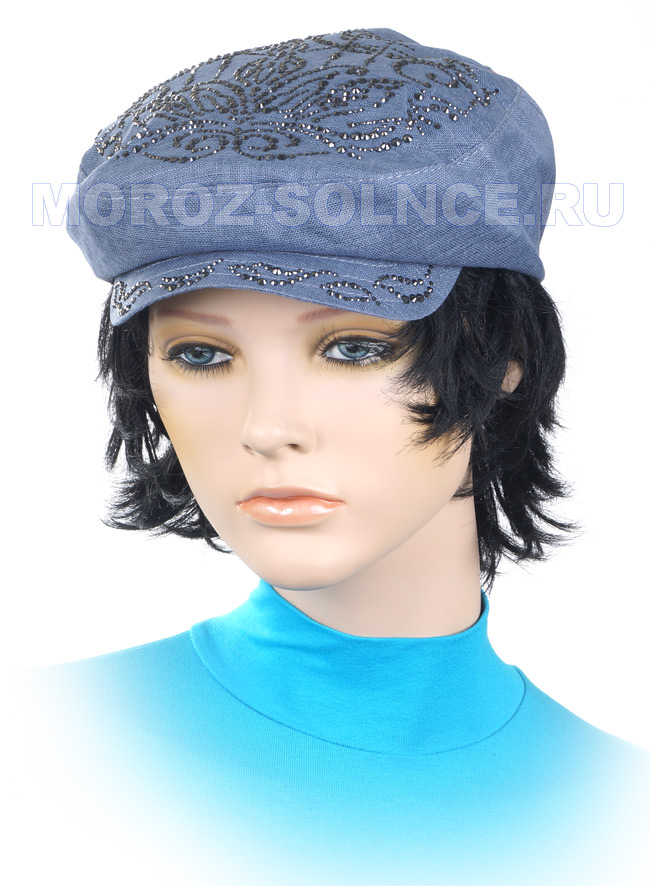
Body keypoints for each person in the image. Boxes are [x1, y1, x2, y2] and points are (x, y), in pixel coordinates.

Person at [10, 27, 649, 886]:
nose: (268, 426)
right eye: (201, 354)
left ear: (505, 357)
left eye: (353, 348)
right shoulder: (35, 759)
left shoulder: (623, 818)